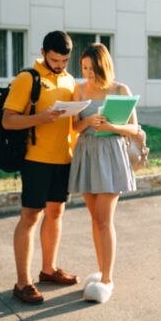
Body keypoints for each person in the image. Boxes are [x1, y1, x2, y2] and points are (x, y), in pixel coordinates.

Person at [2, 31, 78, 304]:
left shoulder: (70, 80)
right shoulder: (27, 79)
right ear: (44, 51)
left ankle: (48, 269)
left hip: (64, 159)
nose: (59, 65)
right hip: (35, 160)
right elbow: (8, 121)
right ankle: (22, 283)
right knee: (31, 217)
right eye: (55, 59)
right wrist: (40, 118)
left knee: (56, 213)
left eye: (65, 60)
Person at [68, 43, 138, 303]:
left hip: (111, 155)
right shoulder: (79, 89)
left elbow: (135, 129)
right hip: (87, 154)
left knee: (104, 218)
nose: (86, 73)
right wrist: (88, 121)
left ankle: (107, 279)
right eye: (83, 68)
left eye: (91, 68)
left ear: (102, 66)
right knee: (95, 219)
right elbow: (75, 126)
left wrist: (111, 125)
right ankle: (101, 272)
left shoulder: (121, 89)